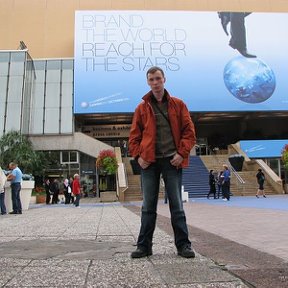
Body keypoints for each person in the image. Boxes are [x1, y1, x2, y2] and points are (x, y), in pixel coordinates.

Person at [129, 66, 196, 259]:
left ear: (164, 79)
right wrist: (138, 157)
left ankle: (183, 245)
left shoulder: (178, 104)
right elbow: (133, 137)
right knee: (148, 206)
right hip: (149, 162)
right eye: (151, 80)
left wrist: (182, 153)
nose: (155, 83)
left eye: (158, 78)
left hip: (172, 161)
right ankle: (144, 246)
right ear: (148, 82)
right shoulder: (141, 108)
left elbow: (189, 132)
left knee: (177, 205)